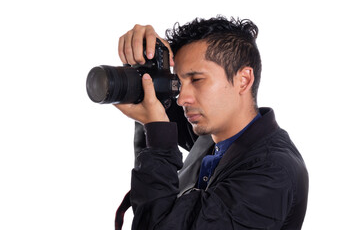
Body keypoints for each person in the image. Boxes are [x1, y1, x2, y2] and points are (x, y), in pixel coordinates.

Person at [114, 16, 308, 230]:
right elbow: (155, 109)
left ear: (243, 80)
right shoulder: (213, 136)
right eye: (179, 82)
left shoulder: (271, 172)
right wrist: (147, 57)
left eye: (196, 80)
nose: (181, 98)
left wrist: (159, 141)